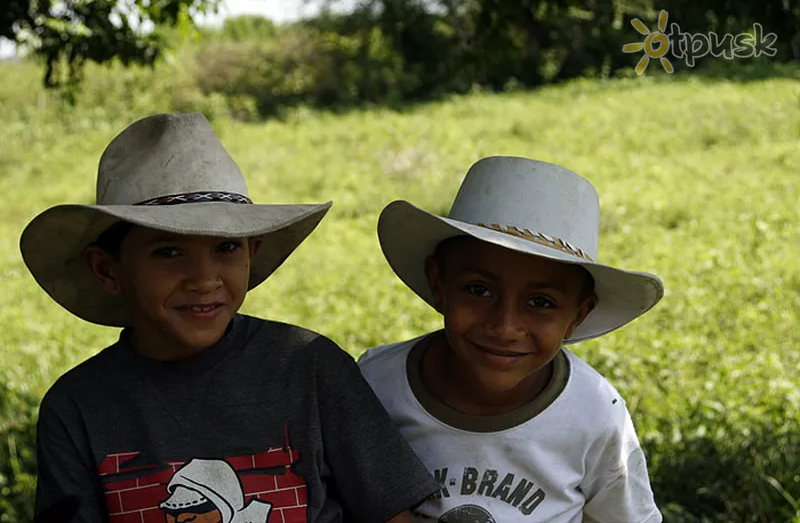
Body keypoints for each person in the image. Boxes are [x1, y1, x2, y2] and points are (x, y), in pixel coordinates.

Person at [22, 112, 439, 523]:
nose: (204, 280)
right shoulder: (78, 407)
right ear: (107, 270)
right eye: (168, 251)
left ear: (251, 252)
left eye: (225, 248)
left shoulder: (309, 368)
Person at [358, 156, 665, 522]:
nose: (505, 327)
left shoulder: (594, 412)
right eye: (479, 290)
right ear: (438, 283)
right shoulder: (375, 385)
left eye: (540, 302)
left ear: (578, 315)